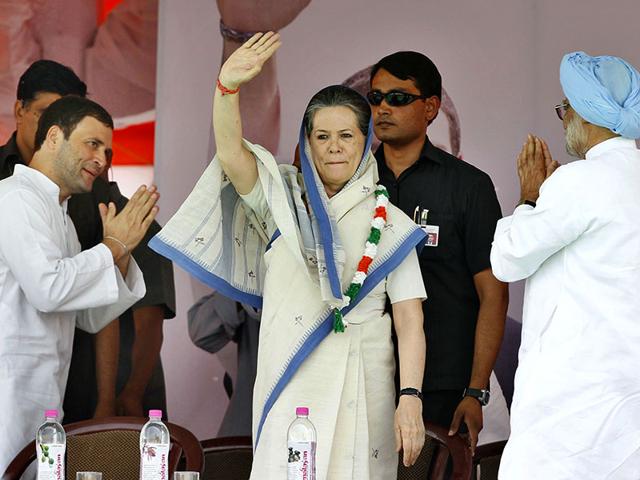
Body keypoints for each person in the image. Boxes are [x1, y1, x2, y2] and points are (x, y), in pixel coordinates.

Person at [150, 32, 427, 479]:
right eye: (322, 136)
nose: (334, 146)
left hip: (366, 384)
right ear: (307, 142)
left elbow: (409, 320)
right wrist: (227, 89)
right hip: (292, 383)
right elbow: (231, 154)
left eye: (346, 135)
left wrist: (410, 396)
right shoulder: (280, 199)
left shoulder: (390, 223)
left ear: (366, 140)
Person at [0, 59, 176, 422]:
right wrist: (112, 246)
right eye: (92, 144)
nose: (100, 160)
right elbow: (48, 289)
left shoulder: (60, 214)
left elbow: (88, 316)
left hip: (45, 400)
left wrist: (122, 255)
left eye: (106, 150)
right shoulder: (15, 197)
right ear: (53, 137)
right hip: (9, 394)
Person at [491, 51, 640, 478]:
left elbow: (507, 260)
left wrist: (530, 196)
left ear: (586, 115)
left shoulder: (579, 182)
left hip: (574, 406)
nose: (563, 120)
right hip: (626, 400)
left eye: (565, 109)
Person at [368, 51, 509, 454]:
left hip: (444, 385)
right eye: (376, 98)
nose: (383, 108)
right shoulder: (354, 185)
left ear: (430, 107)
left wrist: (476, 390)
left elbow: (494, 294)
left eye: (398, 98)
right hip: (366, 379)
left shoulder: (469, 186)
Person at [188, 292, 260, 437]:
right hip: (250, 430)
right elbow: (201, 333)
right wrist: (245, 289)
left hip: (307, 424)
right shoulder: (255, 280)